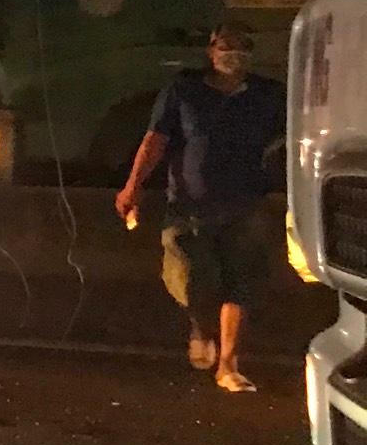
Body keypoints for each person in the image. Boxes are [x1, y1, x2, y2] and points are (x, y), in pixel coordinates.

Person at [114, 20, 285, 393]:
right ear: (211, 50)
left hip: (245, 203)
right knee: (190, 280)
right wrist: (132, 187)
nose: (233, 53)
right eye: (226, 45)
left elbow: (290, 139)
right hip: (189, 206)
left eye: (241, 46)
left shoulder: (268, 95)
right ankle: (200, 327)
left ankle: (228, 364)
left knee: (241, 282)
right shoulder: (184, 90)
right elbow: (155, 140)